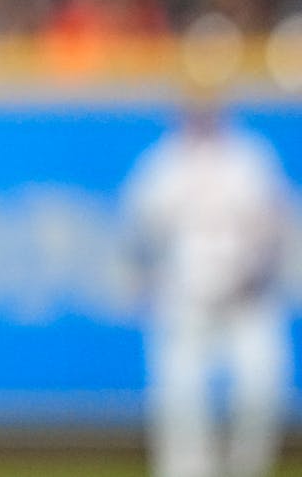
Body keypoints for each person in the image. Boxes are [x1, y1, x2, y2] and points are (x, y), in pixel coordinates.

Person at [121, 90, 295, 477]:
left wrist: (263, 272)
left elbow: (277, 223)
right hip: (185, 296)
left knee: (260, 392)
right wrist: (146, 283)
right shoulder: (162, 164)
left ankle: (246, 468)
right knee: (180, 400)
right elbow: (137, 233)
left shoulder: (250, 157)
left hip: (248, 295)